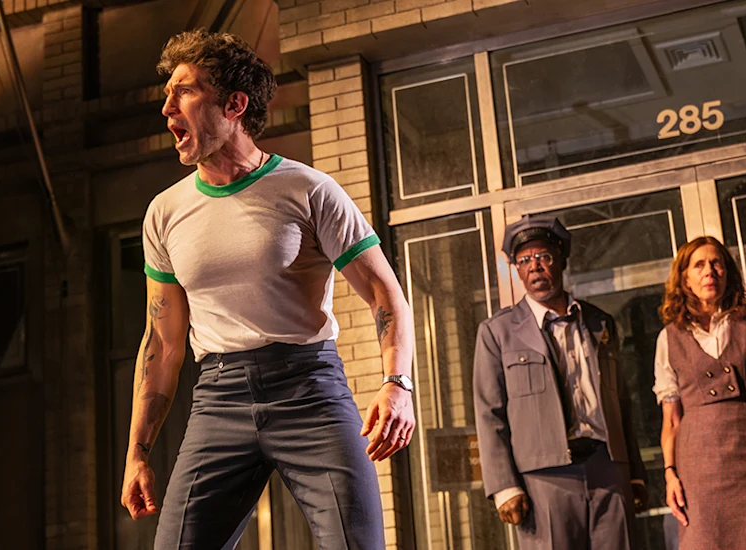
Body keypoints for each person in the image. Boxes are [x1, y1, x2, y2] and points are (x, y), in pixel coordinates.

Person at [118, 30, 416, 550]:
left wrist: (398, 384)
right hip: (218, 399)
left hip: (309, 390)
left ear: (235, 104)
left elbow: (385, 295)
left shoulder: (308, 190)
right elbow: (163, 343)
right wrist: (137, 452)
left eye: (184, 91)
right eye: (168, 93)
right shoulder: (164, 213)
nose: (167, 108)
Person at [473, 214, 649, 550]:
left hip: (608, 468)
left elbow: (623, 403)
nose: (535, 266)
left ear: (561, 261)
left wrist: (635, 471)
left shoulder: (599, 322)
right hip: (544, 476)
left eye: (544, 257)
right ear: (517, 270)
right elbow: (488, 413)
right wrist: (504, 486)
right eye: (525, 260)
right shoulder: (497, 332)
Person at [653, 236, 746, 550]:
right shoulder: (669, 338)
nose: (710, 271)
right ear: (685, 279)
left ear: (727, 273)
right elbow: (671, 420)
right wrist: (670, 475)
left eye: (716, 263)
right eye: (699, 265)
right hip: (698, 470)